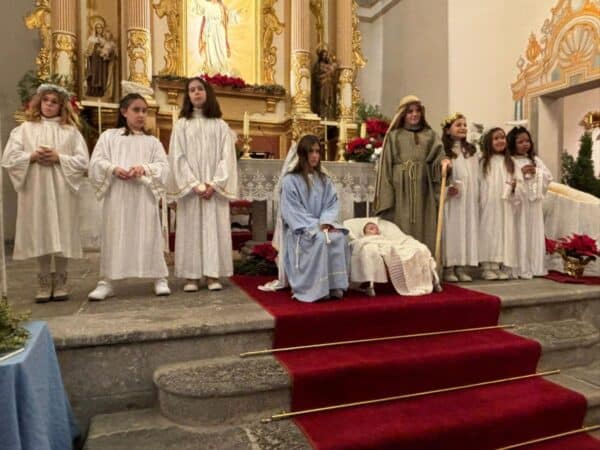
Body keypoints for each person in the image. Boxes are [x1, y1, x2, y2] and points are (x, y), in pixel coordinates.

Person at [2, 84, 89, 302]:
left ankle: (60, 281)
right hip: (37, 189)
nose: (49, 105)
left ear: (62, 106)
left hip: (62, 189)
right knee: (40, 232)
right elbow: (9, 158)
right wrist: (31, 157)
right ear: (39, 102)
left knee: (62, 231)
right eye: (46, 101)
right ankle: (42, 281)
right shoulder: (25, 130)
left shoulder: (70, 132)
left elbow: (82, 161)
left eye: (54, 102)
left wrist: (59, 158)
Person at [88, 93, 171, 300]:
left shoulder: (152, 142)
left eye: (144, 110)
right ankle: (107, 281)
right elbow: (96, 162)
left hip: (143, 196)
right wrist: (113, 169)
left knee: (148, 234)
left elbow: (164, 167)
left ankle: (159, 277)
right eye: (136, 110)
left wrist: (143, 168)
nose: (141, 115)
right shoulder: (109, 137)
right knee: (115, 234)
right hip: (118, 195)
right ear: (124, 112)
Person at [168, 77, 238, 292]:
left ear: (207, 93)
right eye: (192, 90)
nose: (196, 93)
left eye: (200, 89)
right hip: (192, 190)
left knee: (213, 228)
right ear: (187, 96)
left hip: (212, 189)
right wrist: (194, 184)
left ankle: (212, 274)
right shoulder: (181, 125)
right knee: (191, 229)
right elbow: (177, 157)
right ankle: (191, 276)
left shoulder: (220, 126)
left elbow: (227, 158)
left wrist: (213, 184)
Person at [374, 95, 450, 256]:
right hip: (400, 189)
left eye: (417, 111)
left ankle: (426, 266)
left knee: (425, 224)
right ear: (402, 114)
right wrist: (387, 195)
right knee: (401, 226)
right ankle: (401, 268)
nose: (414, 114)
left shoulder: (430, 135)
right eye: (409, 112)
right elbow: (386, 166)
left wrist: (444, 163)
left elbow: (439, 157)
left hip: (424, 189)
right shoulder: (394, 136)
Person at [279, 134, 349, 302]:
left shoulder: (324, 179)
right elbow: (292, 211)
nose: (315, 155)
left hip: (321, 225)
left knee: (339, 237)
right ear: (303, 154)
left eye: (318, 151)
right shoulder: (290, 180)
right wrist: (315, 226)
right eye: (311, 152)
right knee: (320, 240)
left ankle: (333, 286)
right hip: (301, 230)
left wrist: (326, 222)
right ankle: (315, 288)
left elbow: (331, 203)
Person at [508, 126, 553, 279]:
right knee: (518, 232)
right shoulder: (510, 161)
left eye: (527, 141)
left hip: (533, 204)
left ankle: (534, 265)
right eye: (520, 141)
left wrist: (537, 172)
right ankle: (518, 266)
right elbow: (507, 181)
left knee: (532, 232)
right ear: (512, 143)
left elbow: (548, 177)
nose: (525, 144)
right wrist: (520, 174)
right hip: (518, 204)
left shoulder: (535, 160)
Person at [350, 220, 440, 296]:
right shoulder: (365, 240)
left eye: (376, 228)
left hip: (393, 247)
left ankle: (427, 280)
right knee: (388, 250)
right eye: (371, 228)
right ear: (365, 233)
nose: (375, 230)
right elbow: (358, 244)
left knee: (419, 249)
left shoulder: (384, 237)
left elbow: (394, 242)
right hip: (384, 249)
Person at [440, 113, 479, 282]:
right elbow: (440, 173)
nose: (463, 127)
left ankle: (462, 266)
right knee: (452, 230)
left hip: (468, 198)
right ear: (448, 130)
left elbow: (477, 175)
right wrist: (448, 188)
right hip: (453, 199)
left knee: (466, 229)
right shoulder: (444, 150)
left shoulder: (471, 151)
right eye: (458, 124)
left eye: (464, 124)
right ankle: (449, 267)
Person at [479, 127, 518, 280]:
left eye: (502, 137)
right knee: (488, 232)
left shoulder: (510, 162)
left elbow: (517, 180)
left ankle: (498, 264)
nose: (500, 140)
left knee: (502, 232)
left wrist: (515, 187)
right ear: (489, 141)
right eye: (496, 138)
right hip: (488, 202)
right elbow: (479, 182)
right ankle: (486, 266)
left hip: (505, 203)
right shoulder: (483, 161)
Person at [194, 0, 236, 75]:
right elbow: (204, 21)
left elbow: (225, 24)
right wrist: (200, 35)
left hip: (219, 32)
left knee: (221, 53)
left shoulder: (222, 7)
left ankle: (221, 73)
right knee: (210, 52)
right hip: (209, 32)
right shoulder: (206, 5)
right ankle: (212, 73)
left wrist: (226, 40)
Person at [85, 17, 116, 98]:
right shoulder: (91, 39)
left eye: (101, 27)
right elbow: (87, 51)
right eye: (97, 27)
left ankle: (101, 91)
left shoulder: (105, 40)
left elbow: (109, 51)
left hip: (102, 62)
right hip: (94, 61)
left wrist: (105, 52)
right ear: (95, 28)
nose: (99, 29)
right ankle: (92, 91)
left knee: (102, 76)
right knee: (94, 75)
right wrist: (94, 49)